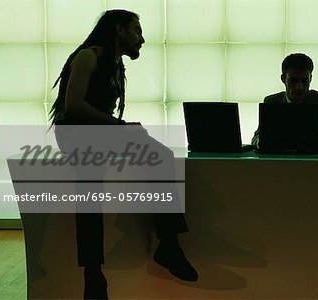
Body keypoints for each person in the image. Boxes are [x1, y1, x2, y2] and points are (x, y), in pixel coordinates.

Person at [49, 10, 198, 299]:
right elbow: (74, 105)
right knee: (90, 186)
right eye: (137, 31)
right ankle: (93, 272)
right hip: (75, 135)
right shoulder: (88, 56)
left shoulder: (116, 65)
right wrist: (119, 127)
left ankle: (168, 243)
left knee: (161, 156)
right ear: (119, 30)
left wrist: (120, 130)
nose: (142, 39)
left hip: (96, 133)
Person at [252, 53, 318, 147]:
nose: (299, 87)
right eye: (293, 81)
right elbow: (257, 137)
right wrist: (259, 142)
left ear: (310, 79)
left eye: (305, 81)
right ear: (283, 79)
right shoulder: (271, 102)